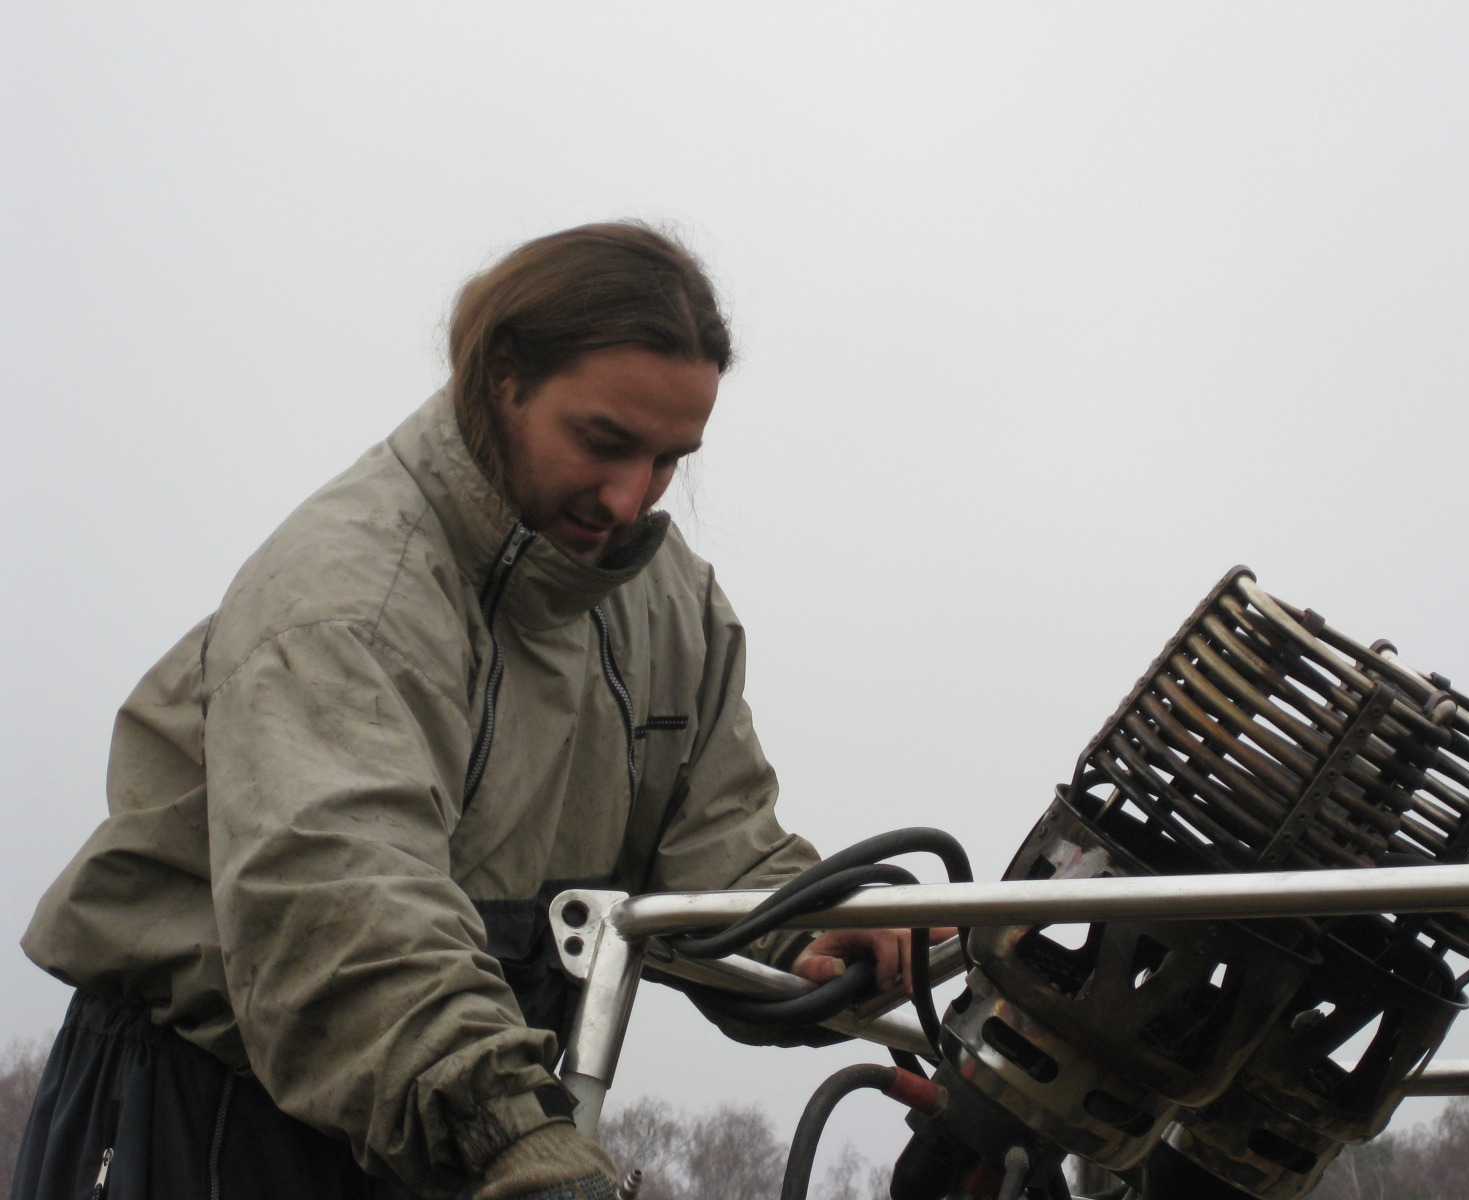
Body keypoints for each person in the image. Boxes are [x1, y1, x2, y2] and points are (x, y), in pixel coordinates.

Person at [13, 223, 923, 1200]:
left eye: (668, 460)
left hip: (452, 1114)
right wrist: (515, 1140)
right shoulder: (348, 600)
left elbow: (719, 849)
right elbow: (346, 924)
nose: (630, 499)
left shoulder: (674, 613)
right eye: (604, 442)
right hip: (209, 1116)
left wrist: (809, 931)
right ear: (502, 376)